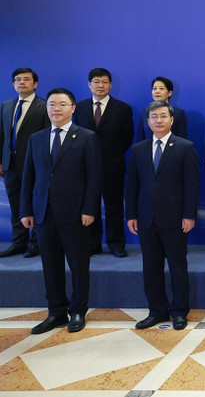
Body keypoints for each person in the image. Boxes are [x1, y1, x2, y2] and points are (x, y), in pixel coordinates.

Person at [21, 88, 103, 334]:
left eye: (62, 104)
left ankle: (78, 311)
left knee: (78, 265)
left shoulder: (87, 137)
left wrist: (89, 209)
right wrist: (26, 210)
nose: (56, 108)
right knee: (50, 265)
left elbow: (94, 177)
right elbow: (29, 177)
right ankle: (55, 311)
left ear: (73, 108)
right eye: (52, 104)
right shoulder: (36, 138)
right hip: (43, 214)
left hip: (76, 214)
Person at [126, 101, 199, 331]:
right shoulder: (138, 149)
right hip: (146, 217)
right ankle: (156, 310)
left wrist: (189, 214)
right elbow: (132, 185)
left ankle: (179, 312)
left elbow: (192, 185)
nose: (158, 120)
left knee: (178, 266)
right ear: (147, 121)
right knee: (151, 266)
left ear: (171, 120)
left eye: (163, 116)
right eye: (154, 116)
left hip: (175, 217)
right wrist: (131, 215)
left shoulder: (185, 147)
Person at [74, 68, 134, 257]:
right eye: (96, 82)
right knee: (89, 205)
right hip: (85, 166)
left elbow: (127, 138)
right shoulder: (79, 107)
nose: (101, 85)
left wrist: (112, 155)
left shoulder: (123, 108)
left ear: (110, 84)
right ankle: (92, 243)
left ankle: (116, 243)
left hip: (113, 165)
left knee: (114, 205)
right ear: (89, 84)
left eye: (105, 82)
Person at [0, 68, 50, 258]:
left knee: (36, 203)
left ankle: (35, 243)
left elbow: (47, 137)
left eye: (26, 79)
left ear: (35, 84)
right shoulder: (6, 106)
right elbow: (2, 136)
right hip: (10, 164)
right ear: (13, 84)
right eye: (17, 80)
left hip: (35, 165)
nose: (21, 82)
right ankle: (18, 242)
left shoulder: (44, 105)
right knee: (15, 204)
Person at [136, 77, 188, 141]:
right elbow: (140, 139)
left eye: (161, 89)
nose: (157, 91)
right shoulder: (144, 113)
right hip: (148, 150)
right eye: (154, 89)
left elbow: (182, 140)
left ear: (169, 93)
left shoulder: (178, 113)